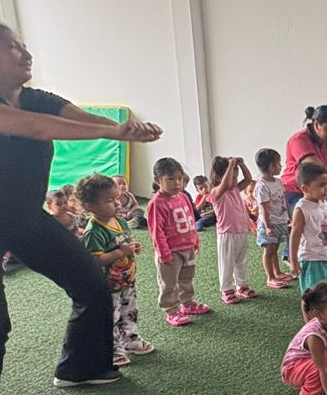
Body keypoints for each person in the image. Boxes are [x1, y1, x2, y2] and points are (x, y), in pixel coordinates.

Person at [0, 22, 161, 395]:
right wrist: (112, 131)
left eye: (24, 46)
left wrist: (123, 129)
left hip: (21, 216)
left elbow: (78, 117)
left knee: (91, 282)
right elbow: (33, 127)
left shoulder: (36, 98)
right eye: (13, 47)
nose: (26, 53)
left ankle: (81, 368)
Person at [78, 174, 153, 367]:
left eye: (117, 198)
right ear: (89, 206)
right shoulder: (94, 231)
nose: (117, 203)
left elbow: (125, 241)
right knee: (111, 317)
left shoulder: (119, 221)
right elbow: (95, 260)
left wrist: (133, 247)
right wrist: (120, 252)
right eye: (109, 201)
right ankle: (112, 350)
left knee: (130, 311)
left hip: (127, 280)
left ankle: (130, 340)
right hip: (108, 286)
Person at [148, 157, 210, 326]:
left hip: (187, 247)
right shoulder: (157, 203)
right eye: (170, 179)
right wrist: (164, 253)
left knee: (186, 278)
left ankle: (187, 303)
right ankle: (171, 310)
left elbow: (191, 218)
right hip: (170, 251)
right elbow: (157, 231)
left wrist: (195, 239)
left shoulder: (183, 196)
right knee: (169, 283)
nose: (176, 183)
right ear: (158, 180)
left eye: (179, 178)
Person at [210, 155, 258, 304]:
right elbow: (225, 184)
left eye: (236, 177)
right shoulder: (216, 192)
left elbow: (248, 179)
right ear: (219, 178)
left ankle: (241, 285)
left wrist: (242, 165)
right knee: (227, 263)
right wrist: (230, 165)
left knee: (241, 261)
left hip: (241, 231)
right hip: (227, 234)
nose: (235, 180)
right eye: (232, 177)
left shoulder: (235, 189)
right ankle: (227, 290)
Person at [288, 161, 327, 295]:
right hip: (312, 259)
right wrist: (293, 260)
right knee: (311, 295)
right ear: (305, 188)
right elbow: (295, 235)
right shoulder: (302, 209)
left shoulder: (324, 202)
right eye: (321, 185)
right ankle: (309, 311)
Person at [253, 149, 293, 289]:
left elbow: (284, 201)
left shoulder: (278, 182)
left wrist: (289, 217)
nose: (281, 166)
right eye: (279, 163)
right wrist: (268, 226)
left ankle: (277, 272)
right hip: (268, 223)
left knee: (275, 247)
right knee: (269, 249)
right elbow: (263, 208)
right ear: (271, 167)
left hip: (280, 219)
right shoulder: (261, 186)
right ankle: (270, 277)